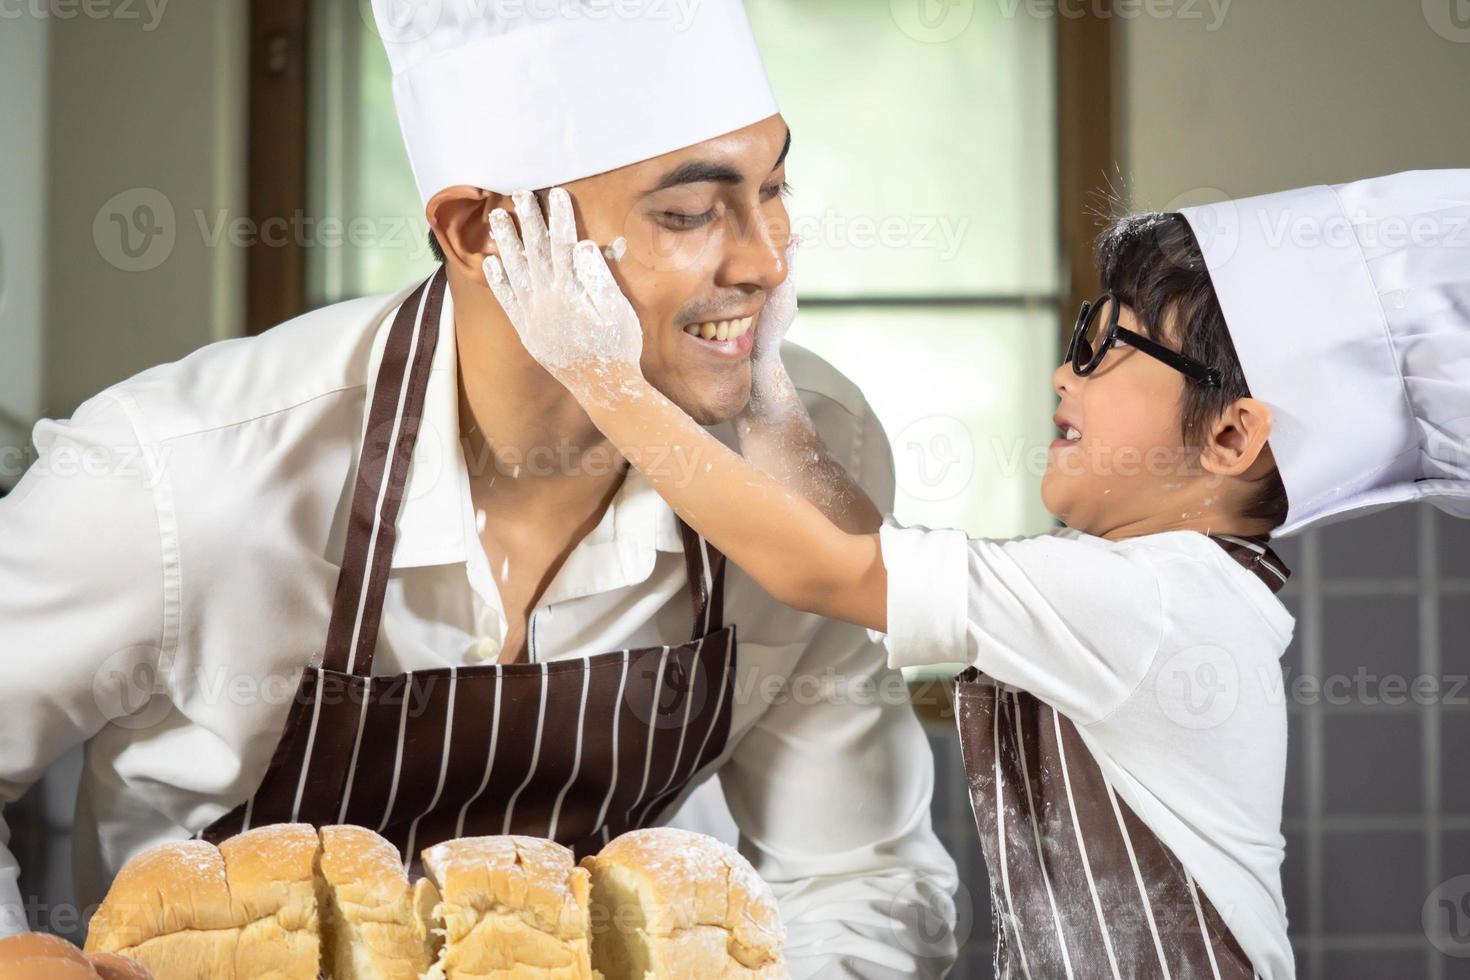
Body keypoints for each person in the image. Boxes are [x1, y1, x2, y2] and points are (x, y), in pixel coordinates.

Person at [0, 2, 961, 974]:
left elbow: (855, 872)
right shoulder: (178, 477)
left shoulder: (805, 460)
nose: (767, 259)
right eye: (688, 212)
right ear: (476, 231)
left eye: (775, 186)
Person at [482, 170, 1470, 979]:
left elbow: (820, 568)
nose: (1063, 372)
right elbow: (870, 548)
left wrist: (598, 374)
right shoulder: (1145, 578)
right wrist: (769, 384)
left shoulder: (1160, 601)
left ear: (1228, 433)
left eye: (1107, 346)